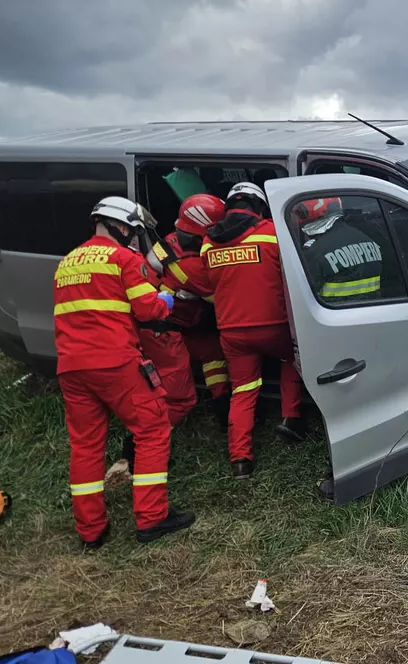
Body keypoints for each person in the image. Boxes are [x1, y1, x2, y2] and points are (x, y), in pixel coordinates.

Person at [53, 196, 194, 548]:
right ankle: (152, 518)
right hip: (115, 362)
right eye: (133, 232)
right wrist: (168, 299)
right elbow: (149, 309)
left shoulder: (67, 263)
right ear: (120, 226)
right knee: (152, 429)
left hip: (71, 367)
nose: (134, 239)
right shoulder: (121, 259)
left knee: (85, 446)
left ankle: (91, 531)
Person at [201, 182, 305, 479]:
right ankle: (291, 418)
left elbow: (209, 286)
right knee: (291, 361)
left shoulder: (209, 242)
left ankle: (240, 461)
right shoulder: (272, 231)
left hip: (232, 331)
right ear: (259, 207)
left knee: (243, 391)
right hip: (275, 326)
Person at [164, 194, 231, 423]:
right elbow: (221, 299)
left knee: (212, 354)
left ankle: (221, 401)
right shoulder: (191, 266)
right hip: (174, 324)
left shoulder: (171, 241)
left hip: (181, 318)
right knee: (181, 386)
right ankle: (222, 406)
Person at [292, 197, 384, 303]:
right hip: (373, 312)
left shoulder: (315, 251)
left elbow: (302, 298)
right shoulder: (369, 241)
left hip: (336, 314)